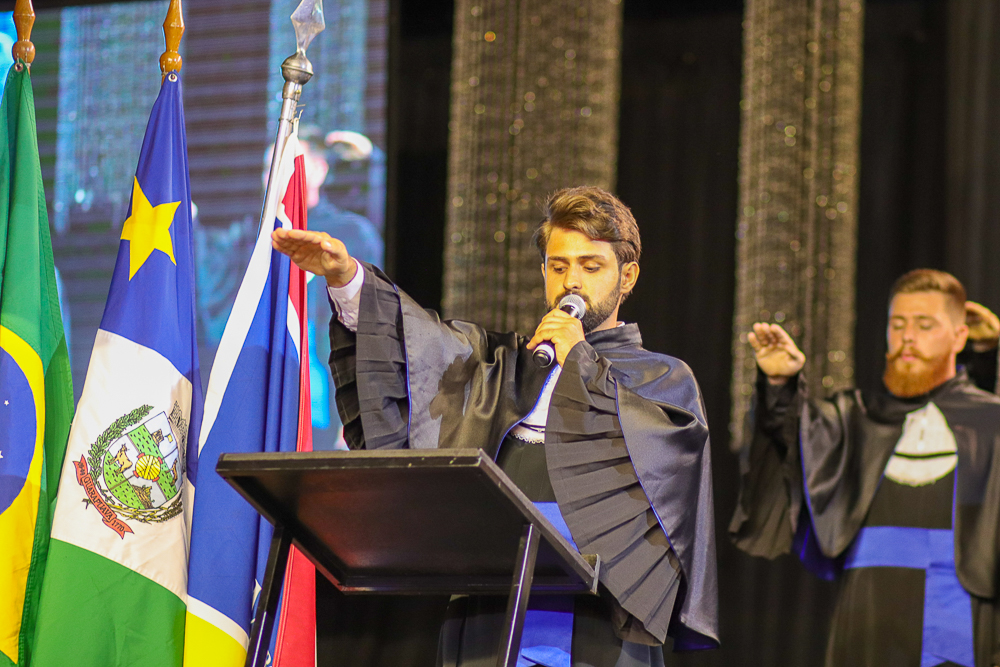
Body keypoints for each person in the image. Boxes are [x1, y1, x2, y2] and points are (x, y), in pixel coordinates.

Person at [272, 186, 718, 666]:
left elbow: (663, 478)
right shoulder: (500, 367)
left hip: (598, 620)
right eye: (558, 266)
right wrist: (347, 281)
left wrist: (581, 363)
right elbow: (421, 348)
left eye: (591, 266)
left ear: (627, 276)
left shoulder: (662, 378)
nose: (571, 281)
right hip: (490, 607)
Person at [730, 268, 1000, 667]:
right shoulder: (857, 416)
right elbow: (794, 439)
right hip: (868, 606)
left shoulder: (991, 419)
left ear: (959, 337)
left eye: (925, 325)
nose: (908, 337)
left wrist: (989, 353)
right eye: (897, 324)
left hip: (955, 604)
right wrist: (780, 384)